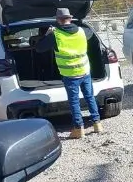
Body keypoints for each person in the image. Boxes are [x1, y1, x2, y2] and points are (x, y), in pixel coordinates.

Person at [36, 8, 103, 139]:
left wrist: (48, 34)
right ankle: (97, 124)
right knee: (90, 97)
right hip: (84, 71)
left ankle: (79, 129)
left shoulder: (55, 35)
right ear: (70, 18)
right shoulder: (82, 31)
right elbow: (92, 36)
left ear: (58, 20)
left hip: (70, 74)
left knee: (74, 102)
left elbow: (39, 48)